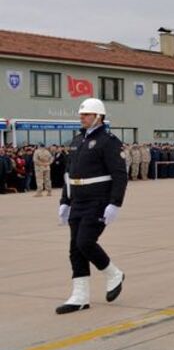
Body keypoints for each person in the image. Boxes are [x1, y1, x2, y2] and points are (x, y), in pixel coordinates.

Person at [56, 98, 127, 314]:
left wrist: (115, 203)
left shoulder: (109, 141)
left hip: (98, 200)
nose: (82, 118)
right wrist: (65, 201)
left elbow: (119, 174)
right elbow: (69, 174)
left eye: (86, 115)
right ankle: (80, 297)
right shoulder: (77, 140)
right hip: (77, 199)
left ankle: (113, 273)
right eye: (81, 115)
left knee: (85, 242)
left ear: (99, 117)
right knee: (74, 249)